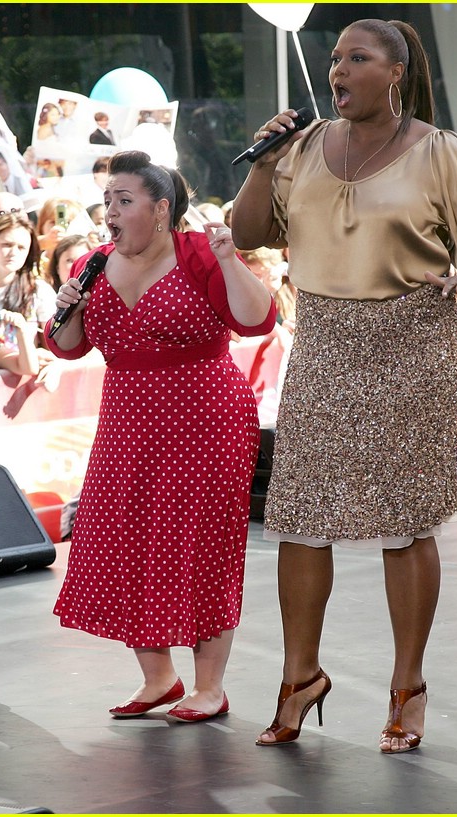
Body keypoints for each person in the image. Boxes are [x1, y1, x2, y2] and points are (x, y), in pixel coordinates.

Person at [230, 18, 457, 754]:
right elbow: (248, 232)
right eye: (334, 58)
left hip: (412, 339)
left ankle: (407, 684)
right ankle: (299, 679)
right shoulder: (297, 148)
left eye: (357, 58)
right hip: (325, 340)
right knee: (299, 513)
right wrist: (262, 161)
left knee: (403, 519)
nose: (338, 69)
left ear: (395, 72)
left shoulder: (442, 152)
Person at [45, 150, 276, 723]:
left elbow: (257, 319)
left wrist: (231, 261)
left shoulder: (198, 253)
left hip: (204, 419)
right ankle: (159, 677)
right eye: (107, 202)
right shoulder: (94, 264)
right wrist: (68, 308)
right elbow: (68, 345)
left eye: (124, 200)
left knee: (198, 546)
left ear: (161, 207)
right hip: (127, 422)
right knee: (121, 540)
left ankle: (210, 686)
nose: (111, 212)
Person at [0, 210, 56, 353]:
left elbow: (55, 345)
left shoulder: (39, 291)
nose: (13, 252)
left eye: (21, 247)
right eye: (7, 245)